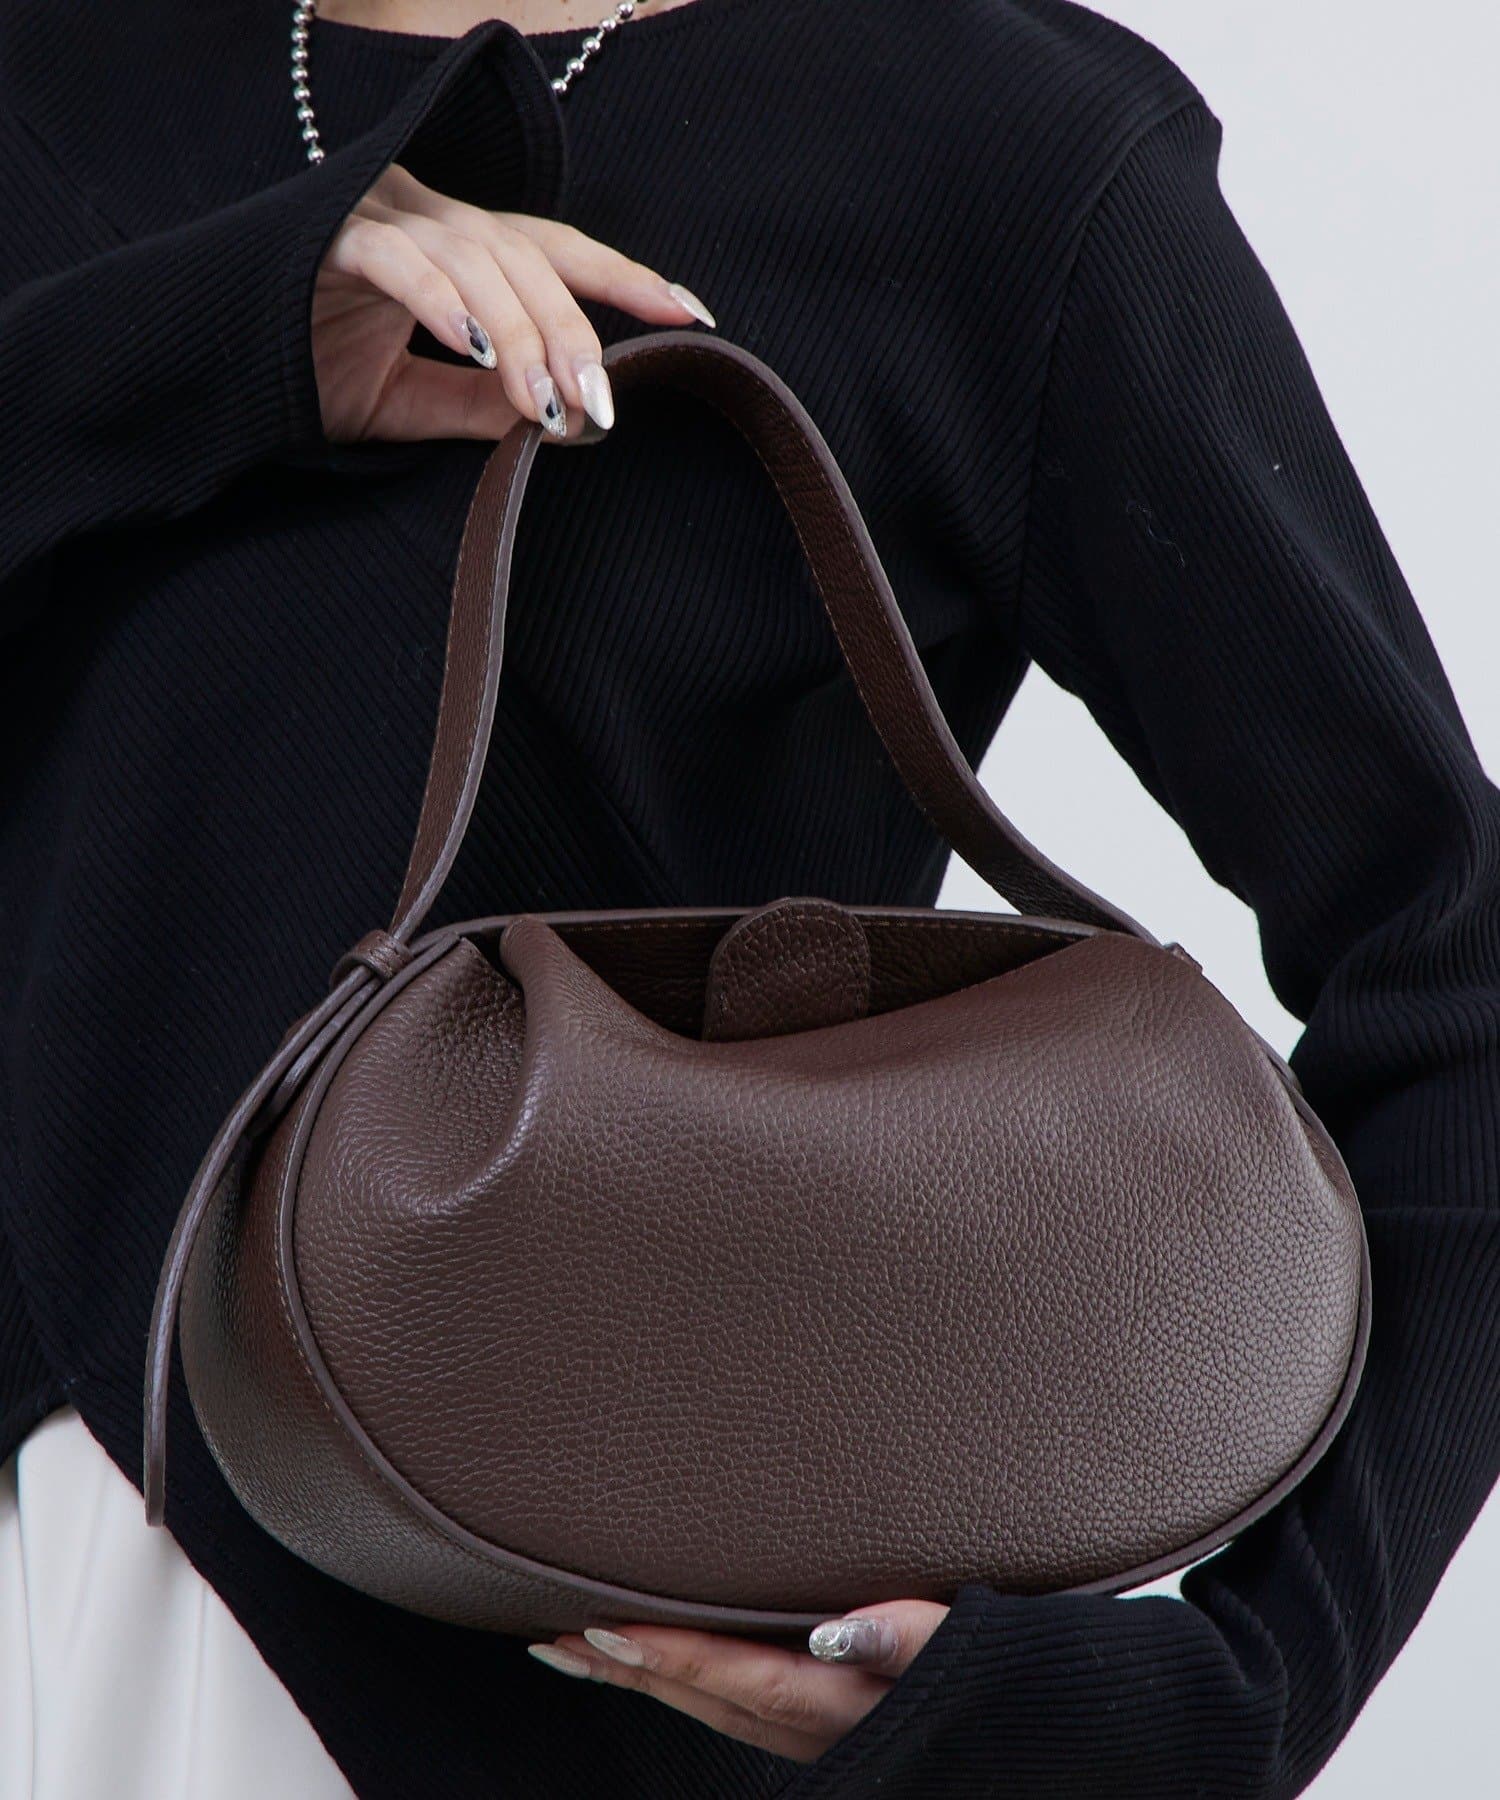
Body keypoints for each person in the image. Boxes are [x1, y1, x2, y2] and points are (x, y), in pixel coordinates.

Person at [1, 0, 1495, 1795]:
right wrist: (186, 350)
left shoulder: (991, 142)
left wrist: (1239, 1695)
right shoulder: (48, 79)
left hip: (560, 1656)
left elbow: (1455, 967)